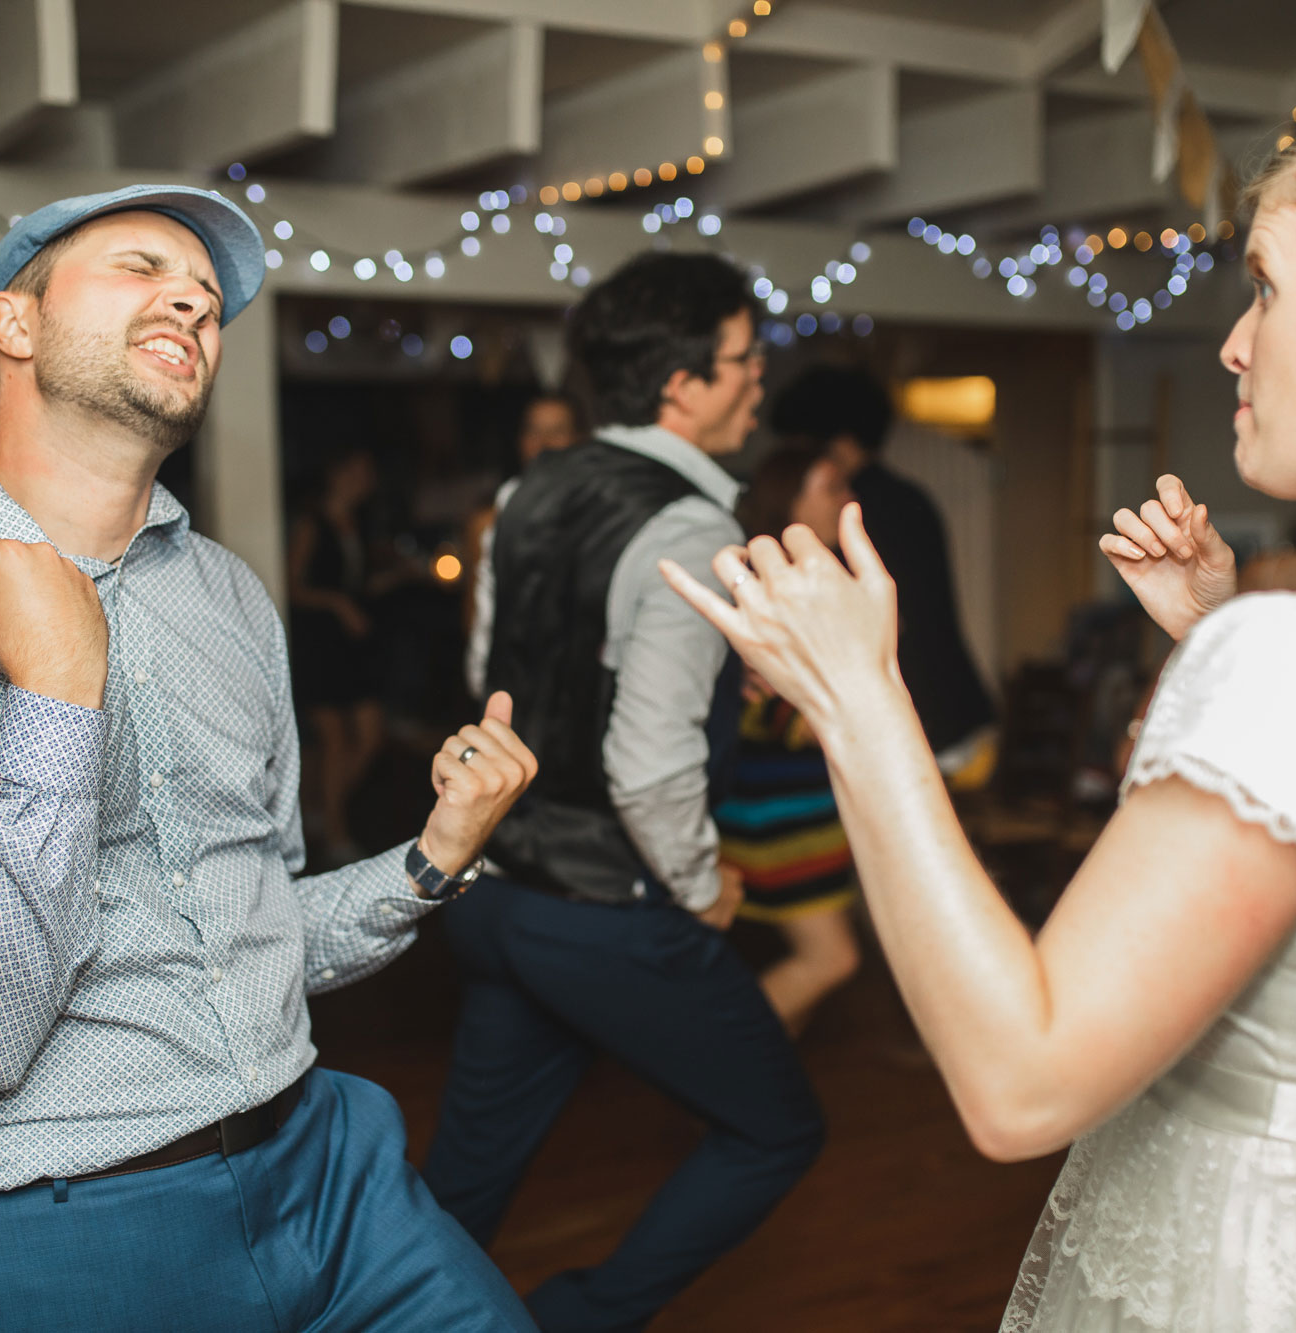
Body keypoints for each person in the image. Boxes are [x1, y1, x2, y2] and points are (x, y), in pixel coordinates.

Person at [663, 66, 1296, 1330]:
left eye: (1266, 290)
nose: (1234, 341)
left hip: (1269, 1264)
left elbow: (1019, 1081)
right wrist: (1222, 631)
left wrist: (855, 692)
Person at [0, 185, 539, 1333]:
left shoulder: (228, 594)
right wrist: (58, 695)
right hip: (67, 1220)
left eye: (207, 297)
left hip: (325, 1161)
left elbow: (253, 927)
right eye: (138, 266)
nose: (193, 296)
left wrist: (430, 858)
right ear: (14, 326)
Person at [422, 252, 825, 1332]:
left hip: (497, 895)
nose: (758, 380)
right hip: (608, 912)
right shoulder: (695, 532)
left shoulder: (525, 493)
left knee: (463, 1179)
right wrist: (698, 888)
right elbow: (648, 762)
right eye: (744, 359)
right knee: (777, 1130)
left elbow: (489, 687)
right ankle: (573, 1319)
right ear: (680, 385)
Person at [765, 365, 997, 790]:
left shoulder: (855, 511)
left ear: (842, 443)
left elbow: (883, 622)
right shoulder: (906, 497)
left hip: (916, 711)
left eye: (804, 446)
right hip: (944, 703)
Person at [718, 439, 862, 1034]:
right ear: (790, 504)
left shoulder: (817, 581)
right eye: (831, 487)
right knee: (832, 958)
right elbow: (763, 705)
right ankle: (720, 1061)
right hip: (775, 814)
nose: (848, 499)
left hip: (803, 808)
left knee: (810, 969)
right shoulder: (777, 588)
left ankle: (766, 1107)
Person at [286, 446, 388, 862]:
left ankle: (317, 811)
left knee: (369, 733)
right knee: (330, 739)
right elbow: (293, 585)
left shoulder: (361, 524)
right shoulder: (312, 522)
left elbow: (357, 581)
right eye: (360, 469)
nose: (367, 479)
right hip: (319, 643)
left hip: (352, 645)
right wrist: (336, 603)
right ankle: (335, 833)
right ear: (338, 472)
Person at [463, 393, 582, 694]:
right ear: (520, 440)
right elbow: (476, 606)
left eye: (557, 432)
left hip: (574, 685)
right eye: (534, 431)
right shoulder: (490, 518)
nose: (544, 443)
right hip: (505, 681)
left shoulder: (594, 512)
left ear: (578, 440)